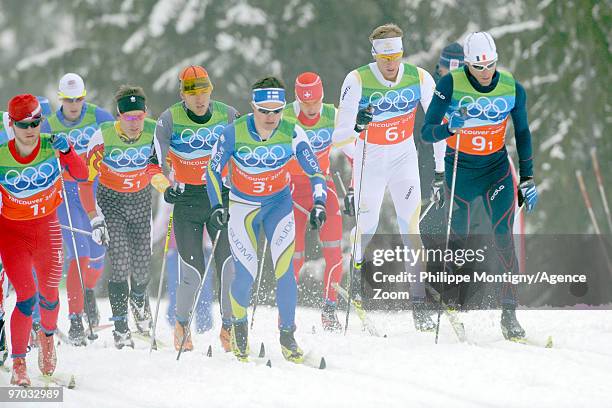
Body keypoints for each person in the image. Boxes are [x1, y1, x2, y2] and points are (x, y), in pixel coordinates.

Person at [421, 32, 538, 339]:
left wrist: (527, 177)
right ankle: (450, 294)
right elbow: (426, 131)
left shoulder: (512, 87)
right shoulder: (450, 84)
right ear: (468, 65)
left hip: (496, 169)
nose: (485, 73)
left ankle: (509, 312)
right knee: (459, 235)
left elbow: (523, 133)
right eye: (478, 67)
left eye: (489, 66)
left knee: (503, 234)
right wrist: (449, 127)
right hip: (460, 169)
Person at [331, 23, 446, 331]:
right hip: (370, 158)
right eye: (385, 59)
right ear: (375, 56)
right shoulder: (356, 80)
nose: (391, 64)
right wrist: (357, 124)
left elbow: (436, 127)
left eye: (395, 56)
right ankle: (355, 284)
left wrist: (439, 171)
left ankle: (418, 303)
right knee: (366, 227)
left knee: (411, 229)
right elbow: (339, 138)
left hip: (403, 157)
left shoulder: (420, 78)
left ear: (401, 52)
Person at [206, 77, 327, 363]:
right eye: (264, 110)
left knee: (285, 272)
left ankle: (287, 336)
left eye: (277, 110)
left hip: (278, 205)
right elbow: (212, 170)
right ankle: (239, 330)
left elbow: (316, 172)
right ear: (253, 107)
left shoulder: (293, 132)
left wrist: (319, 202)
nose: (271, 117)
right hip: (243, 207)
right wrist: (216, 205)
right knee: (245, 275)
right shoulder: (233, 132)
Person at [148, 65, 238, 352]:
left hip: (219, 198)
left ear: (211, 90)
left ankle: (229, 328)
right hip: (186, 199)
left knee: (228, 266)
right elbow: (153, 165)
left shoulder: (228, 115)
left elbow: (243, 153)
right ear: (182, 95)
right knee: (193, 272)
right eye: (192, 94)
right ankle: (182, 325)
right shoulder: (169, 119)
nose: (199, 100)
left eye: (204, 92)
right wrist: (165, 187)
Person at [0, 94, 87, 385]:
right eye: (24, 124)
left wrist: (69, 152)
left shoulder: (52, 146)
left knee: (50, 297)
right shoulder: (2, 155)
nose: (31, 129)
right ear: (12, 124)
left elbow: (81, 173)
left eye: (36, 122)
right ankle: (19, 364)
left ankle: (47, 338)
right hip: (12, 234)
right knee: (26, 296)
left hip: (48, 229)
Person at [41, 73, 114, 345]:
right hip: (65, 195)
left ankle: (88, 292)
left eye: (79, 99)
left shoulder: (100, 116)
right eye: (69, 100)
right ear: (61, 99)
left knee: (97, 255)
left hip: (93, 190)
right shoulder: (48, 124)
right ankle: (74, 319)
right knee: (79, 255)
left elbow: (119, 138)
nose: (74, 105)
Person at [85, 85, 157, 349]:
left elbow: (169, 160)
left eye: (139, 116)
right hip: (111, 203)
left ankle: (139, 300)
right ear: (119, 116)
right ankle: (121, 329)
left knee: (141, 266)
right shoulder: (101, 137)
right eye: (129, 118)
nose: (135, 123)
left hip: (140, 202)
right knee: (121, 263)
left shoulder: (153, 131)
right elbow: (85, 181)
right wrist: (94, 217)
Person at [284, 72, 347, 331]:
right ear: (298, 99)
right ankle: (287, 310)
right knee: (295, 256)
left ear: (322, 98)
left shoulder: (334, 114)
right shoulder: (285, 115)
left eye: (315, 102)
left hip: (324, 185)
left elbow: (355, 143)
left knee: (334, 251)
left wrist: (353, 187)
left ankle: (329, 309)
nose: (311, 109)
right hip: (292, 190)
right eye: (305, 103)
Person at [150, 194, 215, 332]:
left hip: (201, 248)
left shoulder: (206, 182)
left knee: (202, 288)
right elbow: (163, 218)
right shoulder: (168, 187)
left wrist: (212, 242)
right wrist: (149, 240)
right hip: (176, 248)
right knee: (176, 287)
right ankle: (176, 326)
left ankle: (204, 327)